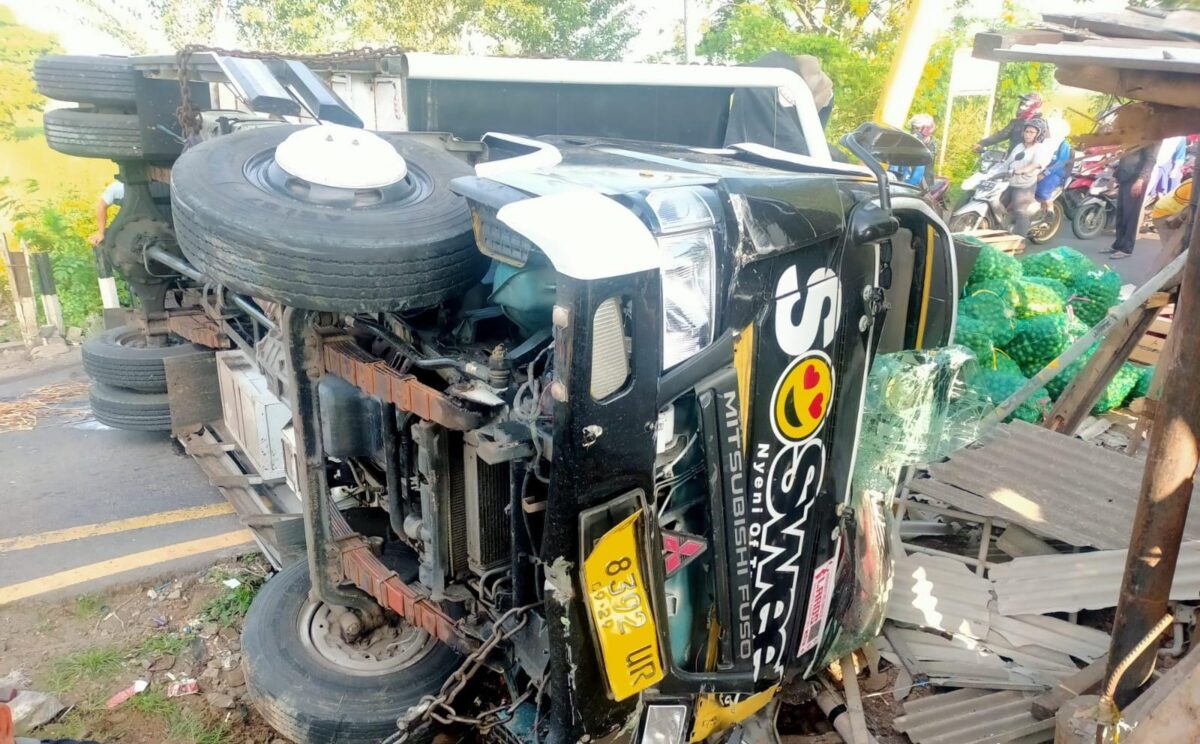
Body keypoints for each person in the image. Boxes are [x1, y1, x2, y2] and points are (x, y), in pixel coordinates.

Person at [1002, 117, 1052, 237]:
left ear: (1039, 135)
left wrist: (1022, 170)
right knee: (997, 204)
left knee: (1020, 211)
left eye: (1032, 132)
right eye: (1026, 131)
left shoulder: (1040, 149)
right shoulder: (1019, 146)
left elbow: (1035, 165)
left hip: (1024, 185)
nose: (1027, 134)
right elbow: (1008, 161)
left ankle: (1020, 241)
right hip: (1009, 181)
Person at [1108, 142, 1158, 259]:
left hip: (1136, 180)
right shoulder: (1135, 137)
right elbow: (1124, 158)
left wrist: (1140, 180)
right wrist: (1115, 176)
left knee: (1130, 215)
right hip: (1125, 176)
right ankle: (1118, 245)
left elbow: (1150, 161)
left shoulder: (1152, 138)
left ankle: (1126, 249)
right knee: (1121, 213)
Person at [974, 92, 1043, 154]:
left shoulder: (1041, 125)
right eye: (1022, 103)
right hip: (1012, 160)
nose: (1022, 106)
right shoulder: (1016, 122)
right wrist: (982, 143)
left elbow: (1046, 145)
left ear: (1035, 106)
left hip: (1031, 163)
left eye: (1026, 103)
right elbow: (1001, 135)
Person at [1036, 116, 1072, 212]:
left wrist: (1044, 173)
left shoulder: (1064, 144)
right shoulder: (1044, 141)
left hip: (1055, 173)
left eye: (1047, 128)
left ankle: (1049, 214)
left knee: (1042, 192)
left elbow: (1060, 162)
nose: (1045, 130)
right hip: (1039, 169)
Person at [891, 113, 936, 186]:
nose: (915, 132)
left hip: (922, 187)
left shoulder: (929, 146)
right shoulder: (905, 142)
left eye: (917, 128)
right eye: (913, 128)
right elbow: (894, 167)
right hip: (901, 182)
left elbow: (917, 177)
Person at [89, 180, 125, 247]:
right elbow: (102, 206)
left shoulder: (115, 188)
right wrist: (101, 233)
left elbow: (101, 206)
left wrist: (101, 233)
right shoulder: (117, 188)